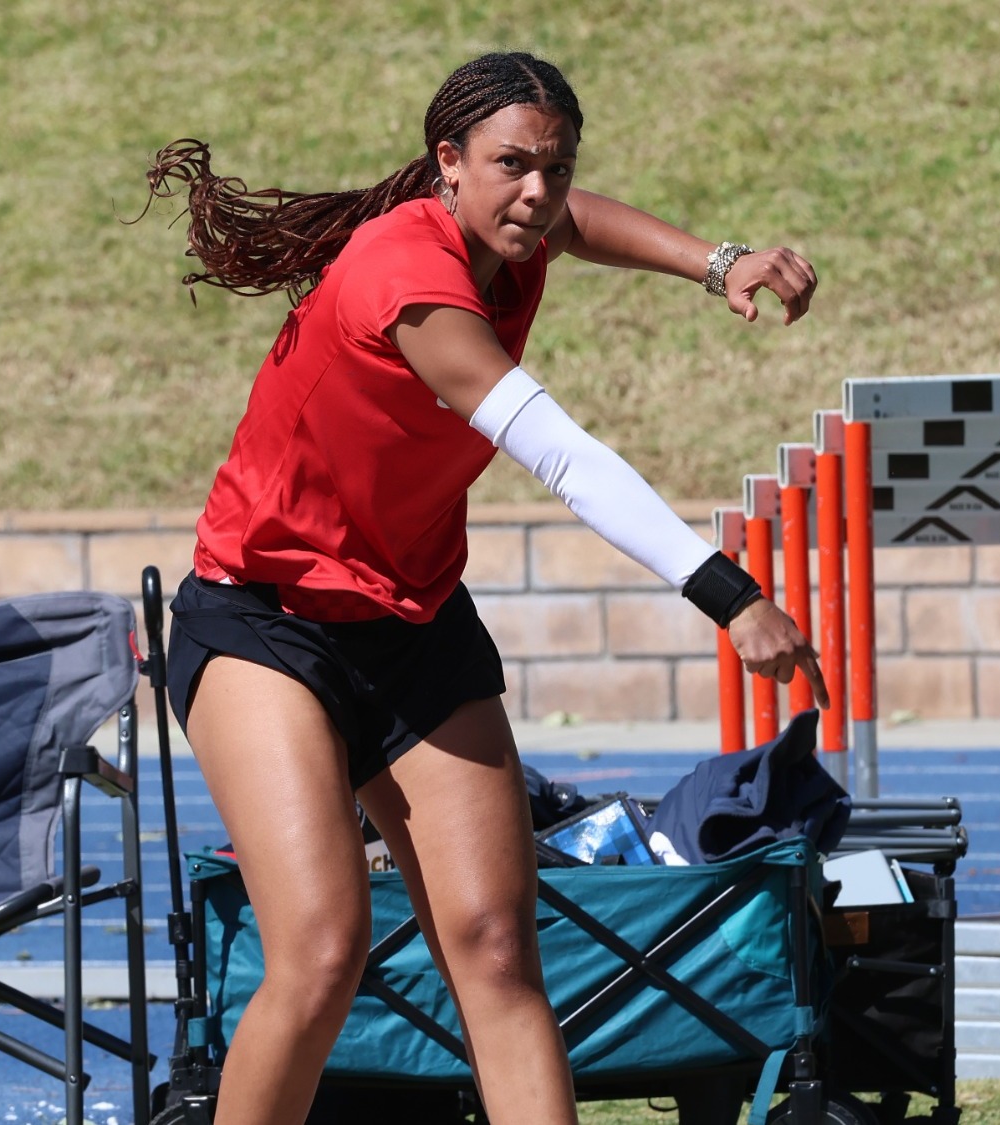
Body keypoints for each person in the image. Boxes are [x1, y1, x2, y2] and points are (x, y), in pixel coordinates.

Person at [143, 51, 826, 1125]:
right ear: (446, 162)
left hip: (416, 622)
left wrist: (717, 262)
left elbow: (576, 222)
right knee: (322, 951)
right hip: (266, 624)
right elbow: (562, 457)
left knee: (499, 947)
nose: (537, 194)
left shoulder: (515, 225)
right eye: (512, 166)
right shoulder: (405, 276)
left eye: (556, 167)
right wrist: (728, 593)